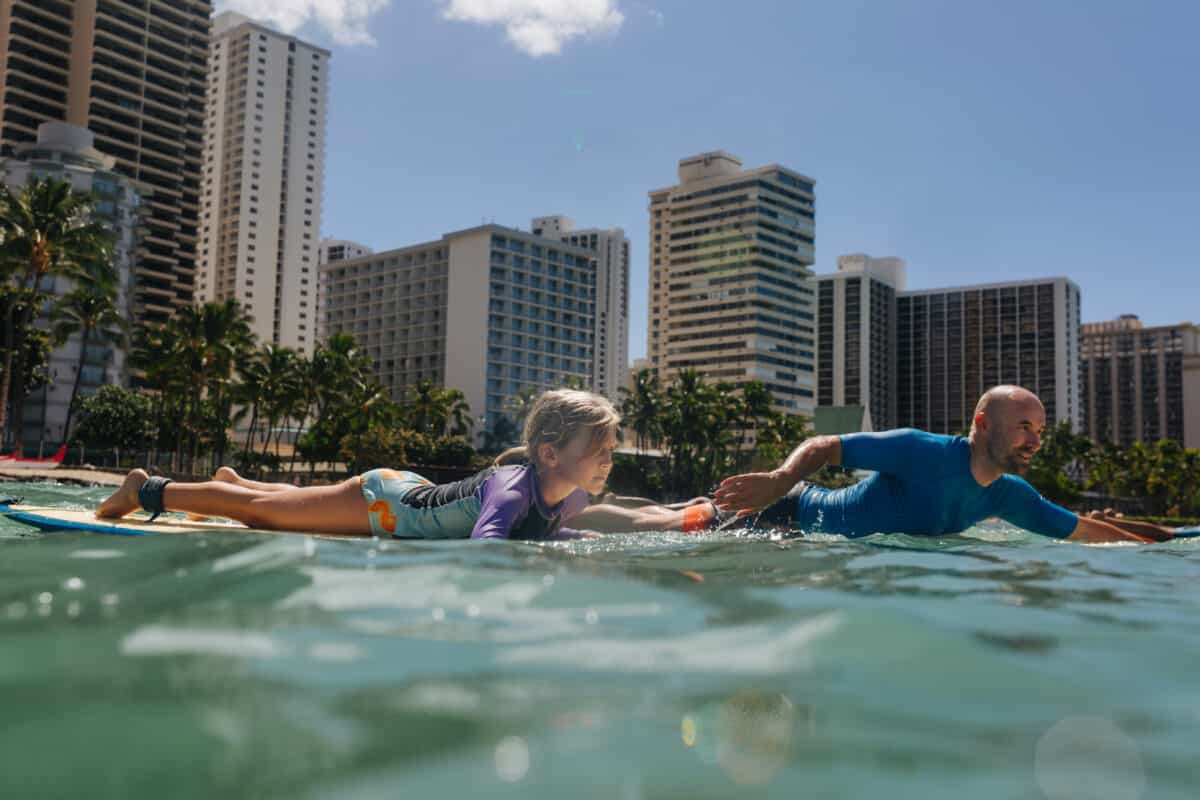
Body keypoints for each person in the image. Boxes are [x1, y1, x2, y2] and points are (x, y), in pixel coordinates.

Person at [97, 389, 723, 539]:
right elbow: (487, 548)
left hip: (415, 494)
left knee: (274, 506)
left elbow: (607, 515)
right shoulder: (511, 491)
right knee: (261, 516)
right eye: (600, 452)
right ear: (550, 453)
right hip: (384, 504)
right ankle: (147, 487)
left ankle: (235, 479)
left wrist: (683, 518)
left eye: (612, 451)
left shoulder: (564, 492)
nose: (608, 462)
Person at [714, 385, 1158, 544]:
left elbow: (1081, 530)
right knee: (674, 523)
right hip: (789, 513)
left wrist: (1148, 548)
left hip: (809, 542)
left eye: (1039, 432)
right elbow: (825, 445)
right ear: (983, 424)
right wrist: (778, 479)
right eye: (1024, 427)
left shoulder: (1007, 494)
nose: (1034, 441)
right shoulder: (921, 450)